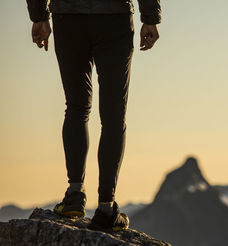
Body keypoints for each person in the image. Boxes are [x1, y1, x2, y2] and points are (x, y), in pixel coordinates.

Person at [26, 0, 161, 232]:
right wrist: (150, 19)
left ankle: (75, 195)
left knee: (77, 107)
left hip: (67, 18)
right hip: (114, 18)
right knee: (113, 115)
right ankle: (106, 209)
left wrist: (39, 16)